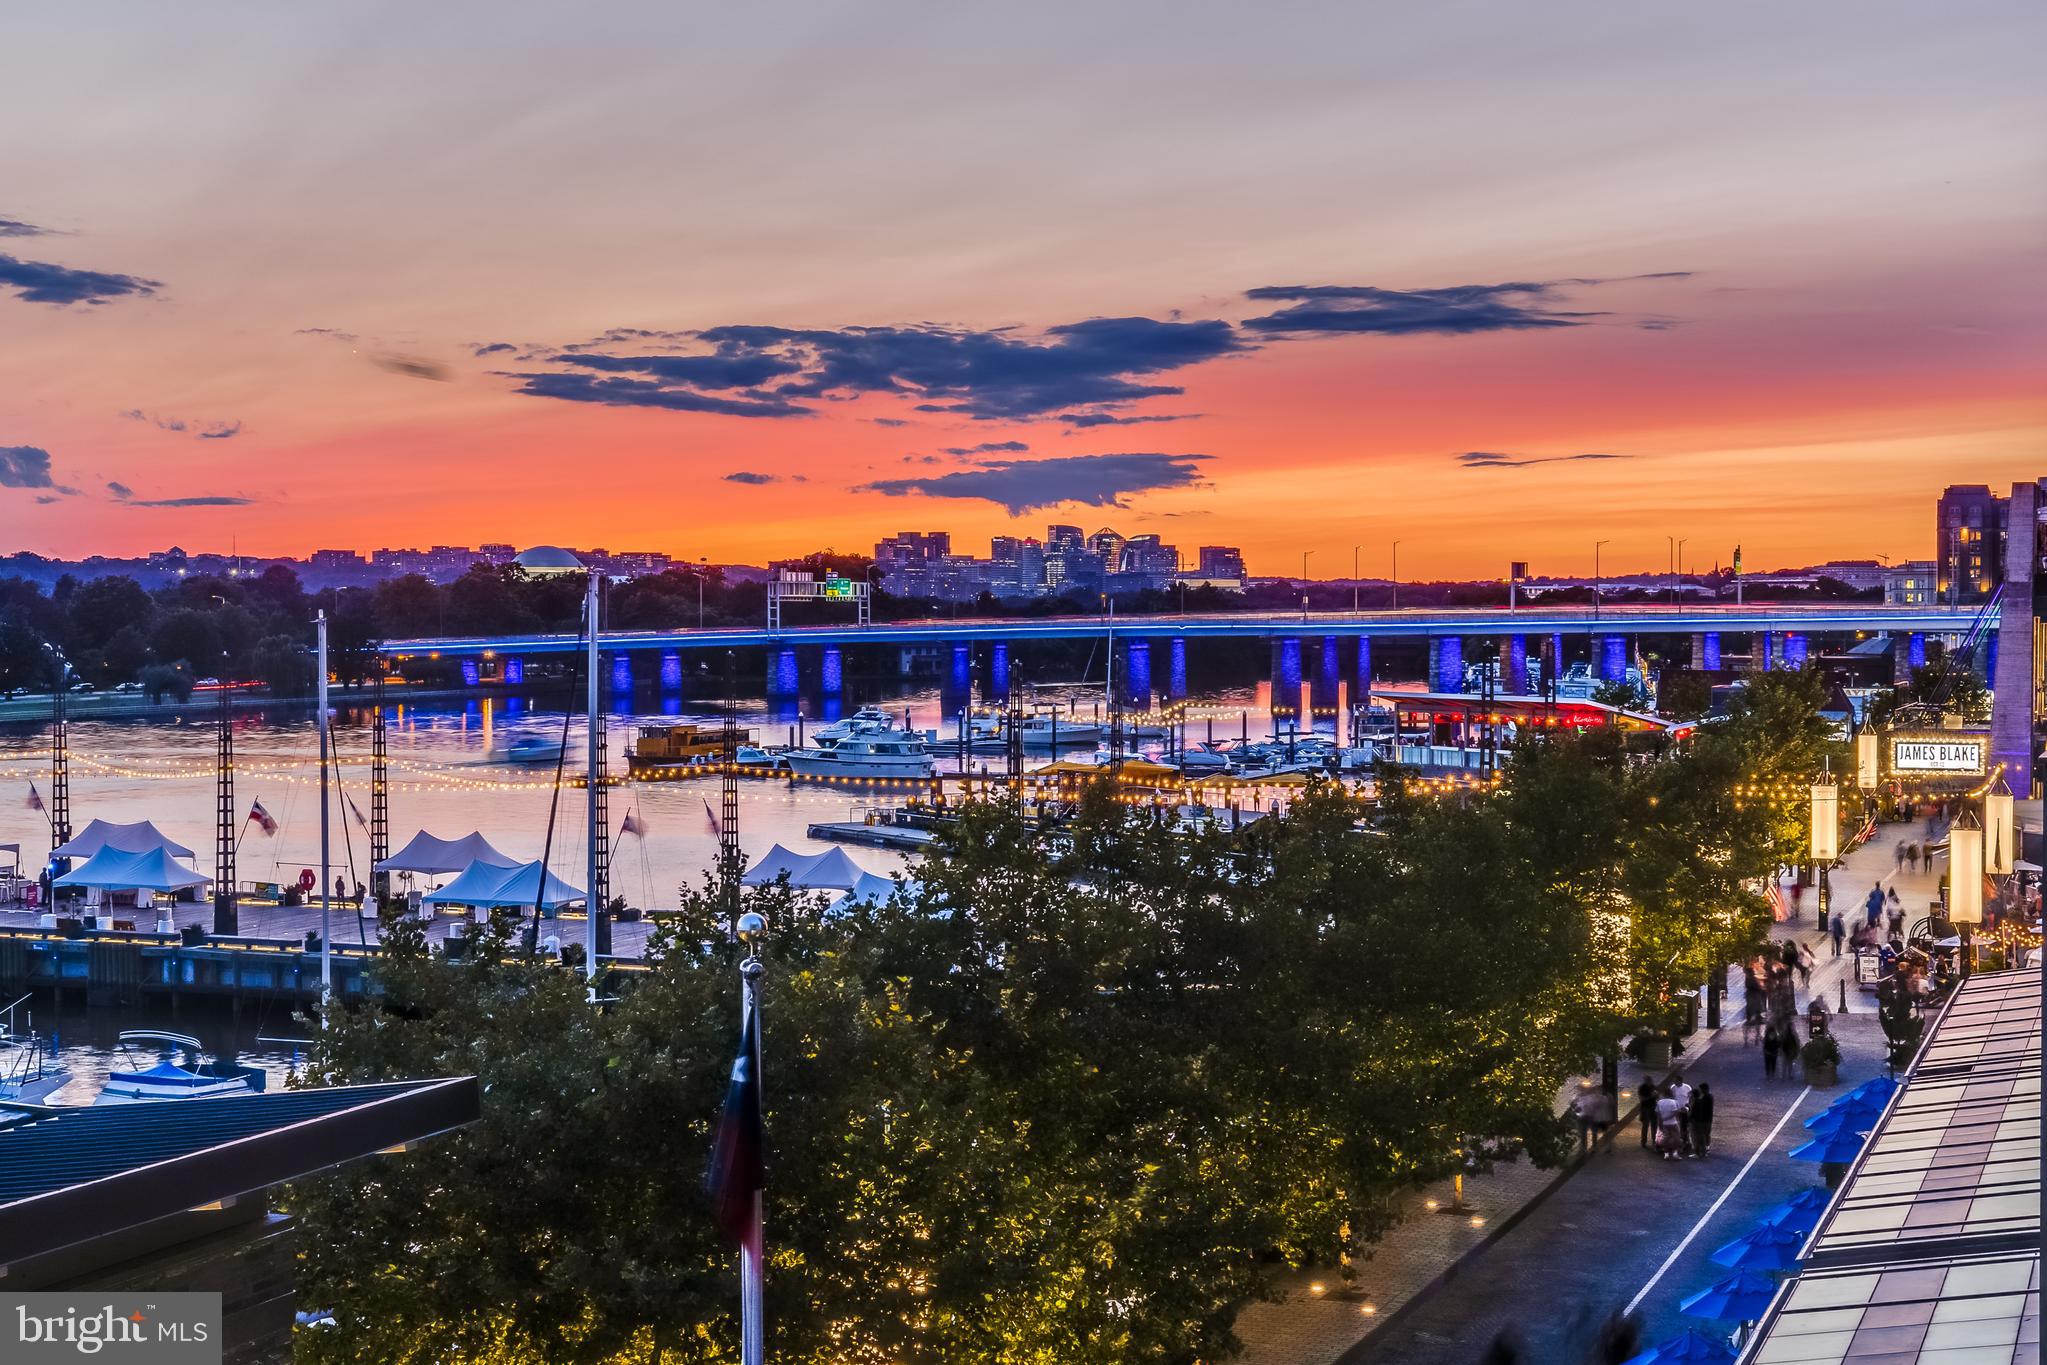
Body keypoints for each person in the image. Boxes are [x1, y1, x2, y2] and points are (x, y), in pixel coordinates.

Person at [1667, 1072, 1695, 1156]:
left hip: (1684, 1111)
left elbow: (1691, 1098)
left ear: (1680, 1081)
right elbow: (1671, 1098)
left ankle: (1685, 1142)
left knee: (1684, 1127)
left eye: (1676, 1081)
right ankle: (1678, 1142)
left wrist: (1688, 1107)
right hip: (1676, 1110)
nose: (1674, 1082)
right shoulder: (1673, 1088)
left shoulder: (1687, 1087)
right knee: (1676, 1126)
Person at [1655, 1087, 1683, 1160]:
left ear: (1663, 1094)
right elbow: (1676, 1113)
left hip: (1664, 1124)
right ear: (1670, 1093)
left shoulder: (1659, 1102)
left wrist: (1660, 1122)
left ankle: (1666, 1154)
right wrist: (1676, 1120)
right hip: (1673, 1123)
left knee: (1665, 1138)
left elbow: (1658, 1114)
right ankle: (1675, 1153)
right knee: (1676, 1138)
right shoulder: (1674, 1102)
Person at [1690, 1083, 1715, 1157]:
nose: (1700, 1090)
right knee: (1705, 1134)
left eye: (1700, 1089)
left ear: (1704, 1089)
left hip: (1702, 1121)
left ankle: (1699, 1151)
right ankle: (1705, 1149)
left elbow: (1695, 1112)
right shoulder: (1709, 1097)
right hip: (1707, 1119)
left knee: (1699, 1136)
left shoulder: (1703, 1099)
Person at [1638, 1077, 1659, 1148]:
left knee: (1654, 1125)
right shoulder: (1642, 1088)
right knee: (1645, 1125)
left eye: (1651, 1081)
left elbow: (1657, 1097)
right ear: (1646, 1081)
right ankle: (1643, 1142)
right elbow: (1642, 1099)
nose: (1650, 1082)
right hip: (1645, 1108)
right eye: (1649, 1081)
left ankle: (1655, 1141)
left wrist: (1656, 1095)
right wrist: (1651, 1096)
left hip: (1653, 1108)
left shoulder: (1654, 1087)